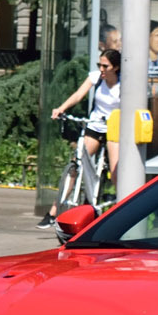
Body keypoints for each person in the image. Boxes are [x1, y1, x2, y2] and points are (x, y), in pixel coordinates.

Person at [49, 48, 120, 204]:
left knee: (115, 172)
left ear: (115, 67)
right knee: (77, 162)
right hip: (95, 125)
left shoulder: (123, 85)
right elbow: (78, 95)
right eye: (99, 65)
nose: (101, 69)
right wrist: (61, 108)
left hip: (114, 129)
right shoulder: (96, 77)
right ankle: (55, 210)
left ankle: (123, 206)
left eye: (105, 66)